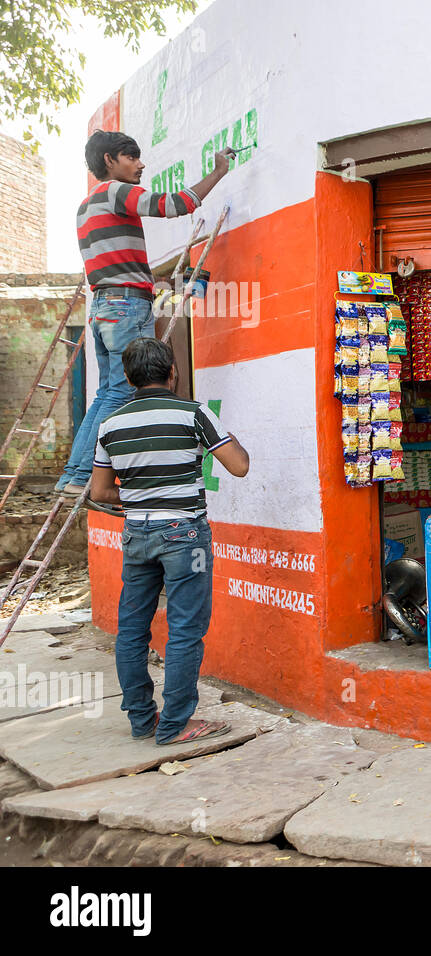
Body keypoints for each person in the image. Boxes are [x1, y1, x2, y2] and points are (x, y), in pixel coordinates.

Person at [57, 129, 235, 497]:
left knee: (108, 392)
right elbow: (176, 205)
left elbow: (115, 265)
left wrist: (155, 281)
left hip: (105, 306)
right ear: (110, 160)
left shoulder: (85, 206)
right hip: (124, 307)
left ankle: (75, 475)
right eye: (132, 157)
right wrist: (219, 171)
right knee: (121, 391)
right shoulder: (114, 191)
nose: (140, 165)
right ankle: (79, 477)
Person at [90, 337, 250, 746]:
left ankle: (143, 720)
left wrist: (144, 497)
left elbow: (100, 492)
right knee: (184, 629)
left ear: (127, 378)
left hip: (137, 536)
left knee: (131, 630)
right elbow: (240, 466)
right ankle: (176, 724)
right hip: (186, 537)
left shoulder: (110, 425)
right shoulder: (193, 413)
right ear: (173, 371)